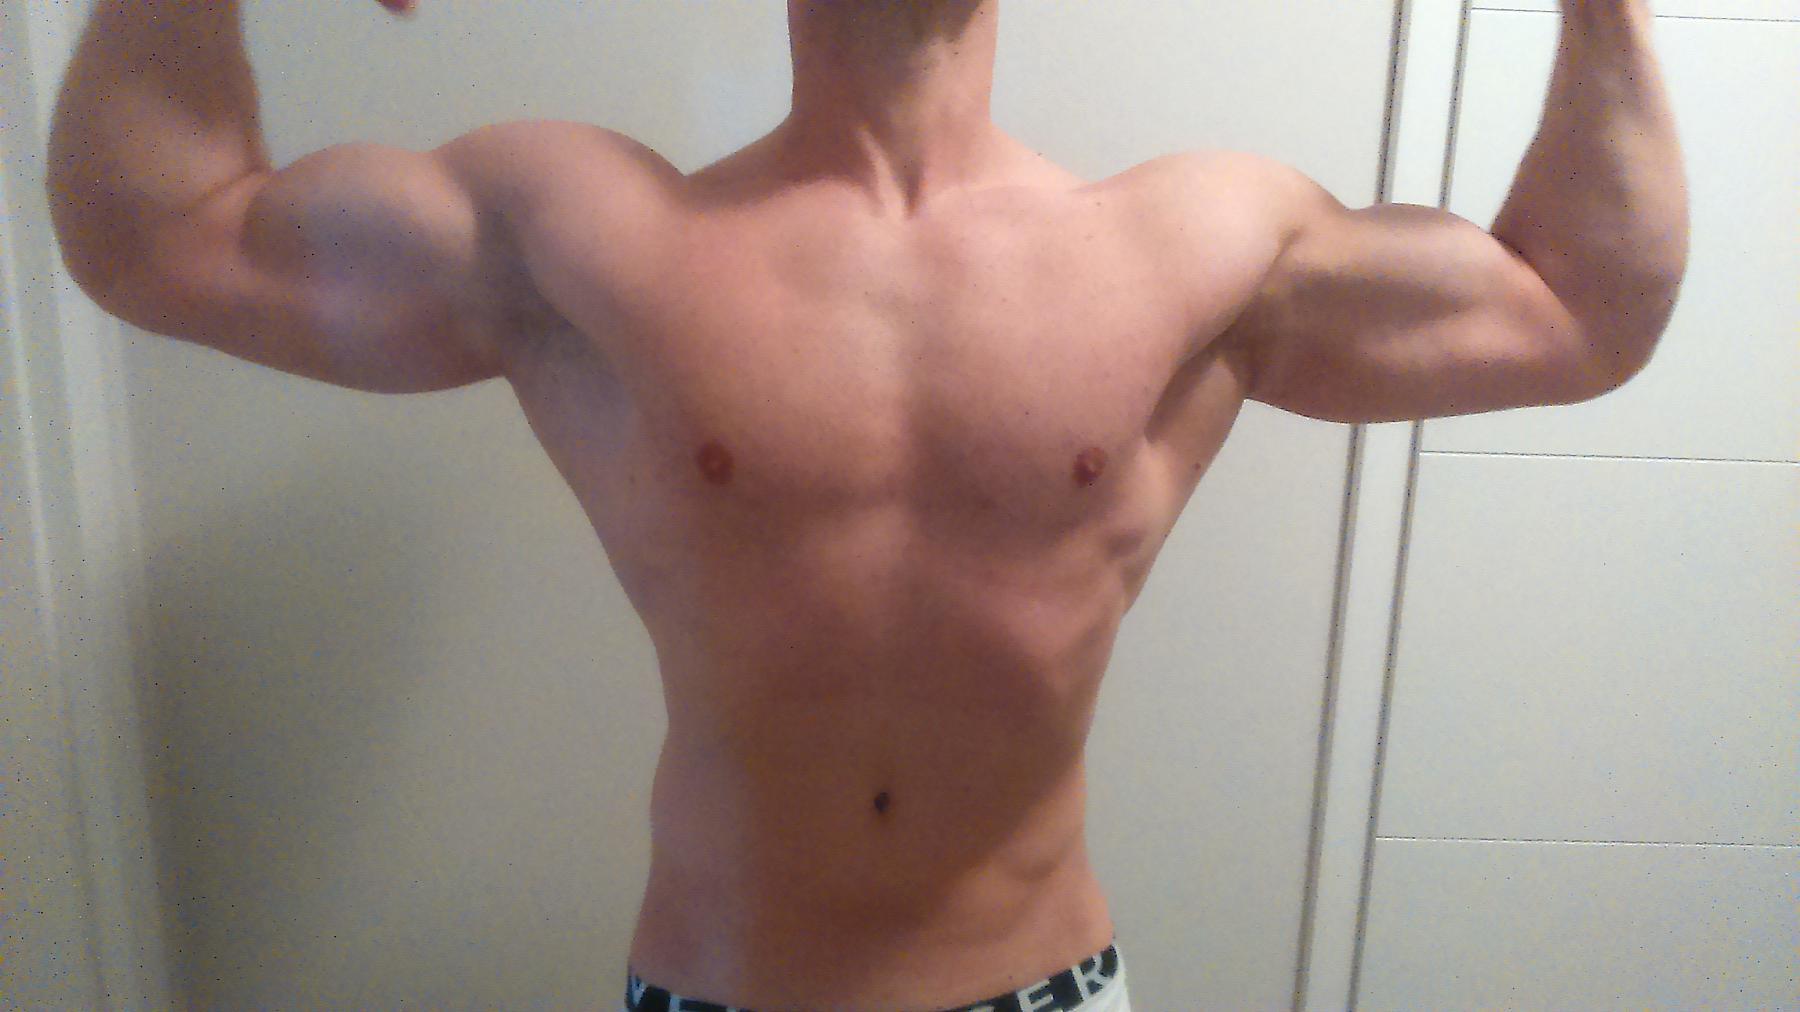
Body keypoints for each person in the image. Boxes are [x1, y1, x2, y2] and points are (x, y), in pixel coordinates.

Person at [44, 0, 1687, 1008]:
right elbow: (157, 232)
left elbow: (1578, 310)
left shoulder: (1190, 245)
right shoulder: (594, 237)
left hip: (1043, 994)